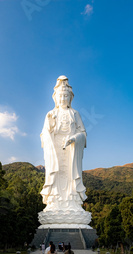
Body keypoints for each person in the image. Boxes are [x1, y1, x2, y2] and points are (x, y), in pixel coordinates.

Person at [40, 76, 87, 212]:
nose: (63, 99)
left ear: (70, 98)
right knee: (56, 172)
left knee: (70, 174)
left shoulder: (75, 113)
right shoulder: (51, 113)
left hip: (71, 150)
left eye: (66, 96)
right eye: (60, 96)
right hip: (55, 149)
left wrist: (74, 138)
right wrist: (49, 127)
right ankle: (54, 201)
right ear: (56, 98)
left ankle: (73, 202)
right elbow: (44, 134)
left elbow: (83, 134)